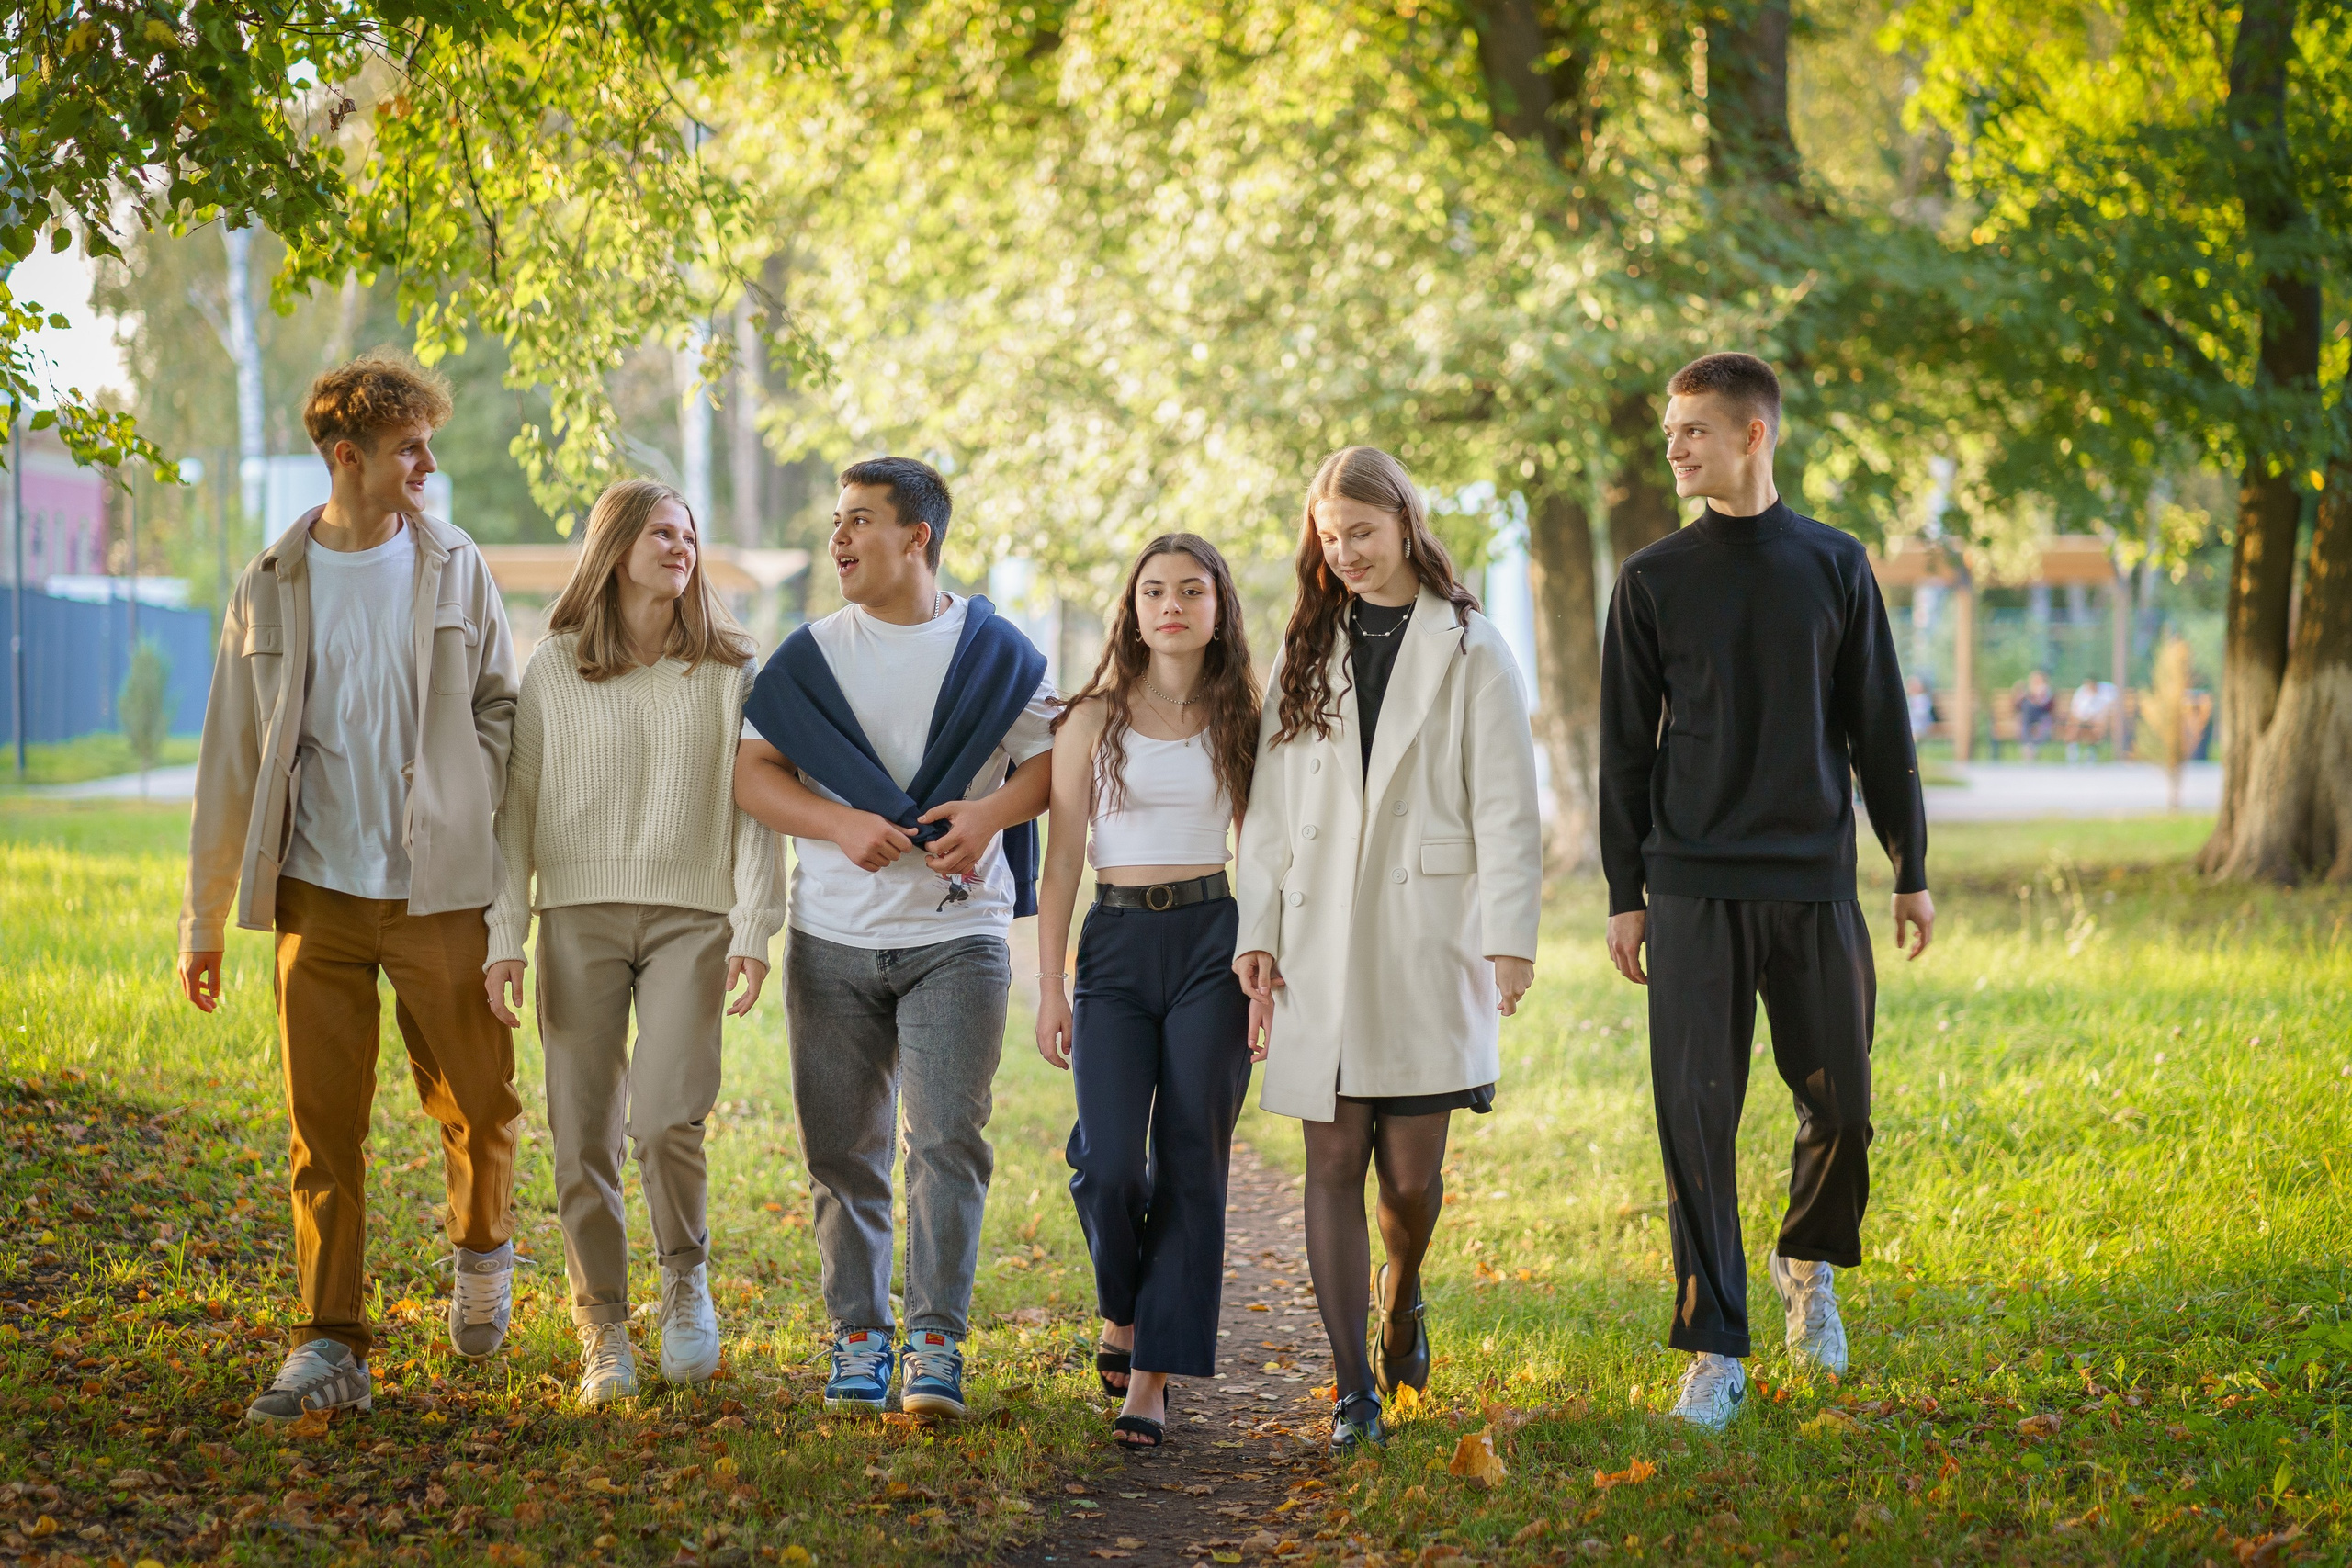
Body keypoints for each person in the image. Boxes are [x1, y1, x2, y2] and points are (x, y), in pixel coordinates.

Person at [175, 353, 523, 1425]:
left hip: (439, 893)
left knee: (480, 1102)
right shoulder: (269, 582)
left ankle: (480, 1246)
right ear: (347, 458)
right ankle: (331, 1343)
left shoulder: (458, 565)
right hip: (315, 898)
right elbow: (231, 753)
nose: (427, 463)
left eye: (426, 443)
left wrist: (469, 798)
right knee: (320, 1130)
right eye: (408, 449)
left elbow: (501, 710)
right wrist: (205, 916)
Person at [1599, 352, 1935, 1433]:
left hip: (1812, 882)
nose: (1674, 448)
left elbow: (1879, 726)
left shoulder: (1834, 566)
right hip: (1692, 886)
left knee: (1843, 1106)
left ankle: (1808, 1265)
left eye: (1692, 430)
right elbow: (1622, 753)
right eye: (1668, 433)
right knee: (1695, 1121)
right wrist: (1625, 890)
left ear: (1753, 435)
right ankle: (1711, 1350)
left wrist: (1909, 865)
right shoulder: (1650, 579)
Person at [1233, 446, 1542, 1455]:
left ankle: (1400, 1294)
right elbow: (1269, 809)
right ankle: (1350, 1387)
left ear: (1405, 523)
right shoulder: (1302, 650)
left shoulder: (1469, 647)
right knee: (1329, 1159)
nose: (1345, 553)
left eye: (1360, 532)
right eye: (1329, 537)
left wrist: (1509, 940)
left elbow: (1506, 804)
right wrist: (1258, 933)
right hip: (1317, 934)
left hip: (1426, 934)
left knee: (1408, 1180)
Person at [734, 457, 1055, 1420]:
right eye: (837, 521)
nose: (839, 539)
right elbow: (754, 775)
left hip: (957, 937)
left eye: (860, 520)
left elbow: (1048, 766)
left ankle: (935, 1345)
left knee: (947, 1141)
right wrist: (835, 822)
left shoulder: (997, 651)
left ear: (917, 537)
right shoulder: (809, 654)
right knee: (843, 1149)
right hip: (831, 937)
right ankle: (858, 1335)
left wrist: (991, 813)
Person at [483, 479, 785, 1407]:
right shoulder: (555, 665)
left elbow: (757, 811)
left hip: (692, 918)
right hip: (575, 918)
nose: (680, 546)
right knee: (581, 1135)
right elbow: (515, 815)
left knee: (663, 1119)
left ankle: (684, 1284)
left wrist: (754, 924)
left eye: (689, 534)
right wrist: (505, 932)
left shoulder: (733, 666)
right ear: (615, 547)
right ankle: (603, 1330)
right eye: (661, 532)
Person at [1035, 535, 1263, 1449]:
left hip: (1214, 939)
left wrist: (1264, 958)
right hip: (1118, 943)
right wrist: (1050, 987)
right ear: (1131, 609)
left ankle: (1150, 1381)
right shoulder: (1091, 717)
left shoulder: (1243, 712)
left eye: (1190, 591)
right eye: (1153, 591)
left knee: (1190, 1160)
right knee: (1110, 1163)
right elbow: (1059, 864)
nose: (1171, 604)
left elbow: (1267, 848)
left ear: (1218, 608)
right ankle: (1122, 1312)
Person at [2016, 670, 2056, 760]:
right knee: (2023, 716)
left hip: (2042, 716)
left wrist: (2036, 699)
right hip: (2029, 717)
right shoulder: (2028, 692)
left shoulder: (2046, 691)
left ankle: (2032, 746)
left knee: (2028, 709)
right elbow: (2017, 706)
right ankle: (2028, 745)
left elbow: (2048, 706)